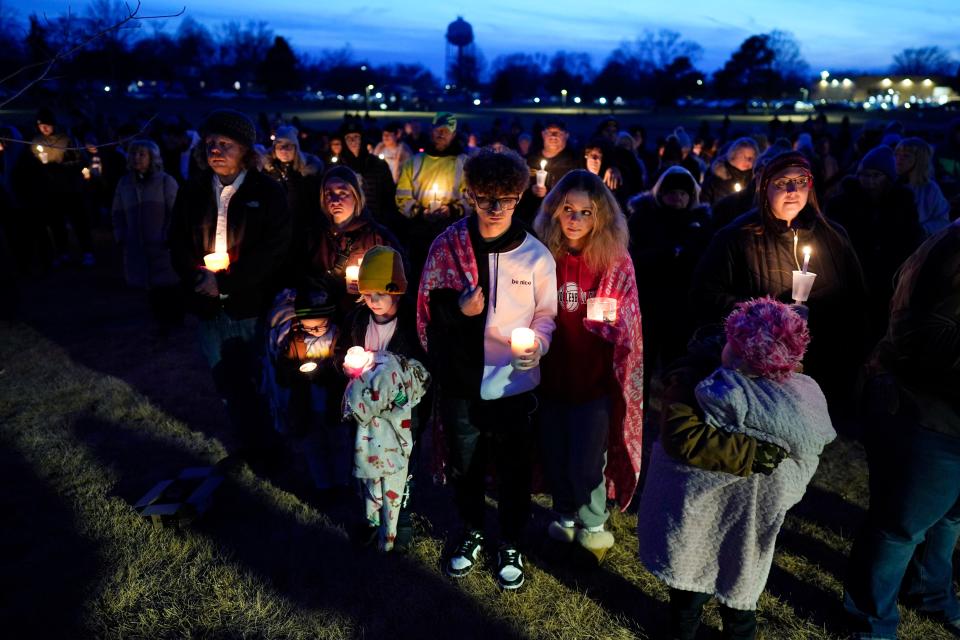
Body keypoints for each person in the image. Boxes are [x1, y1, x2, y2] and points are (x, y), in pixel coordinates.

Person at [639, 298, 836, 640]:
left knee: (740, 587)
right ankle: (682, 629)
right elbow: (682, 436)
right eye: (733, 345)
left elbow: (806, 438)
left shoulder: (786, 390)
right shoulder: (694, 377)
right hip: (696, 509)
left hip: (746, 517)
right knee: (689, 586)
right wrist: (750, 452)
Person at [417, 148, 557, 590]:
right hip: (461, 380)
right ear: (469, 195)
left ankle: (511, 539)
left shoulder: (536, 256)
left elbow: (547, 314)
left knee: (514, 467)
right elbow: (425, 307)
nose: (495, 210)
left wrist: (540, 343)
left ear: (519, 197)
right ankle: (473, 529)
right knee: (466, 464)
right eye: (485, 198)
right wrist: (458, 308)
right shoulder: (448, 246)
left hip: (514, 383)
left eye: (506, 199)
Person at [843, 220, 960, 640]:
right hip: (927, 412)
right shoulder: (948, 253)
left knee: (948, 517)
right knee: (899, 525)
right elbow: (918, 333)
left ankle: (930, 592)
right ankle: (870, 621)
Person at [691, 151, 868, 414]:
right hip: (759, 371)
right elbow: (704, 294)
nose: (793, 189)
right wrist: (770, 316)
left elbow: (857, 297)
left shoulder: (833, 236)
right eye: (782, 182)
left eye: (801, 180)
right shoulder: (736, 237)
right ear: (764, 188)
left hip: (824, 361)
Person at [532, 170, 643, 562]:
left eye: (586, 212)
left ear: (601, 218)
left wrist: (614, 325)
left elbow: (629, 317)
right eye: (568, 209)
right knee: (556, 451)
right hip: (550, 375)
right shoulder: (542, 255)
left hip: (593, 380)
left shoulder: (613, 261)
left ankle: (593, 524)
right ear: (554, 211)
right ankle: (564, 516)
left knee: (588, 456)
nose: (575, 219)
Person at [169, 108, 291, 464]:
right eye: (210, 144)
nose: (216, 151)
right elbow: (176, 240)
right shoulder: (192, 191)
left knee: (261, 380)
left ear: (246, 151)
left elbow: (274, 249)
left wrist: (226, 282)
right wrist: (198, 279)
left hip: (250, 304)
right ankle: (249, 445)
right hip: (207, 305)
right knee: (227, 381)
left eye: (225, 144)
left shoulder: (267, 193)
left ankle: (274, 449)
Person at [339, 245, 430, 551]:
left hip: (401, 417)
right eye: (367, 294)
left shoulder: (411, 326)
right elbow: (343, 350)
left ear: (397, 291)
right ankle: (373, 516)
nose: (373, 301)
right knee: (367, 466)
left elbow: (420, 370)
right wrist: (348, 365)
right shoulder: (358, 321)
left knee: (403, 469)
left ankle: (400, 518)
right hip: (368, 417)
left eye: (380, 293)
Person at [825, 144, 924, 347]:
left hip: (889, 279)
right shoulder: (842, 203)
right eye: (865, 175)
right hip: (851, 278)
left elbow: (911, 239)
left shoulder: (902, 203)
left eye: (876, 176)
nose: (869, 182)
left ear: (887, 178)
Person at [627, 166, 712, 373]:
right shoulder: (643, 218)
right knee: (642, 361)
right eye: (673, 193)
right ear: (661, 193)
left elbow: (707, 258)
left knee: (675, 362)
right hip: (648, 301)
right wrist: (664, 253)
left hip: (682, 304)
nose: (678, 198)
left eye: (683, 193)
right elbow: (631, 256)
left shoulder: (700, 221)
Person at [111, 140, 182, 333]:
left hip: (161, 244)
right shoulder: (124, 184)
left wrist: (167, 235)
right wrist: (121, 235)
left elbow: (175, 212)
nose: (137, 158)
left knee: (167, 284)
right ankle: (159, 318)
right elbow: (117, 211)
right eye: (133, 154)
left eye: (142, 154)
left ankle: (174, 318)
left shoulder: (165, 181)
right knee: (148, 284)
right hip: (136, 244)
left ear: (152, 157)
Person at [396, 112, 470, 279]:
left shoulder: (464, 163)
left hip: (452, 233)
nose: (441, 133)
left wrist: (452, 210)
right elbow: (402, 197)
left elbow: (471, 199)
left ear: (454, 134)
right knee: (418, 278)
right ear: (431, 130)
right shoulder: (413, 162)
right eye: (438, 129)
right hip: (419, 233)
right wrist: (420, 212)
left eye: (446, 130)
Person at [29, 107, 89, 267]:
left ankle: (87, 251)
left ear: (54, 124)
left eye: (47, 124)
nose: (44, 128)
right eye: (41, 125)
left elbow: (82, 161)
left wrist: (62, 167)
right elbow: (32, 164)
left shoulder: (68, 139)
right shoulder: (36, 142)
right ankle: (63, 253)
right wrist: (42, 168)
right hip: (50, 191)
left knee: (79, 222)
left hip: (70, 188)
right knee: (56, 224)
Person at [514, 118, 581, 227]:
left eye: (558, 133)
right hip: (529, 218)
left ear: (566, 135)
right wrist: (531, 189)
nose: (553, 136)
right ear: (543, 134)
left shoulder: (574, 162)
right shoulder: (530, 159)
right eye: (549, 132)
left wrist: (549, 192)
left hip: (558, 220)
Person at [340, 120, 398, 231]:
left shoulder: (378, 164)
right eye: (348, 137)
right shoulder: (339, 167)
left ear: (362, 138)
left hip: (376, 221)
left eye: (356, 136)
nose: (352, 140)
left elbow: (389, 194)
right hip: (347, 223)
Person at [894, 137, 952, 238]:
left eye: (906, 156)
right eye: (897, 154)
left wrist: (921, 230)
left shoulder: (930, 189)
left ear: (920, 161)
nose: (899, 159)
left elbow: (942, 221)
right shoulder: (890, 183)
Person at [263, 125, 323, 215]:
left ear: (296, 148)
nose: (283, 150)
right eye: (279, 145)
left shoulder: (308, 173)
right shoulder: (266, 172)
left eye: (288, 146)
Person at [700, 137, 759, 205]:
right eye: (744, 156)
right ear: (733, 155)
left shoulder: (755, 181)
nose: (749, 161)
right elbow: (705, 205)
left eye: (752, 157)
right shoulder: (715, 178)